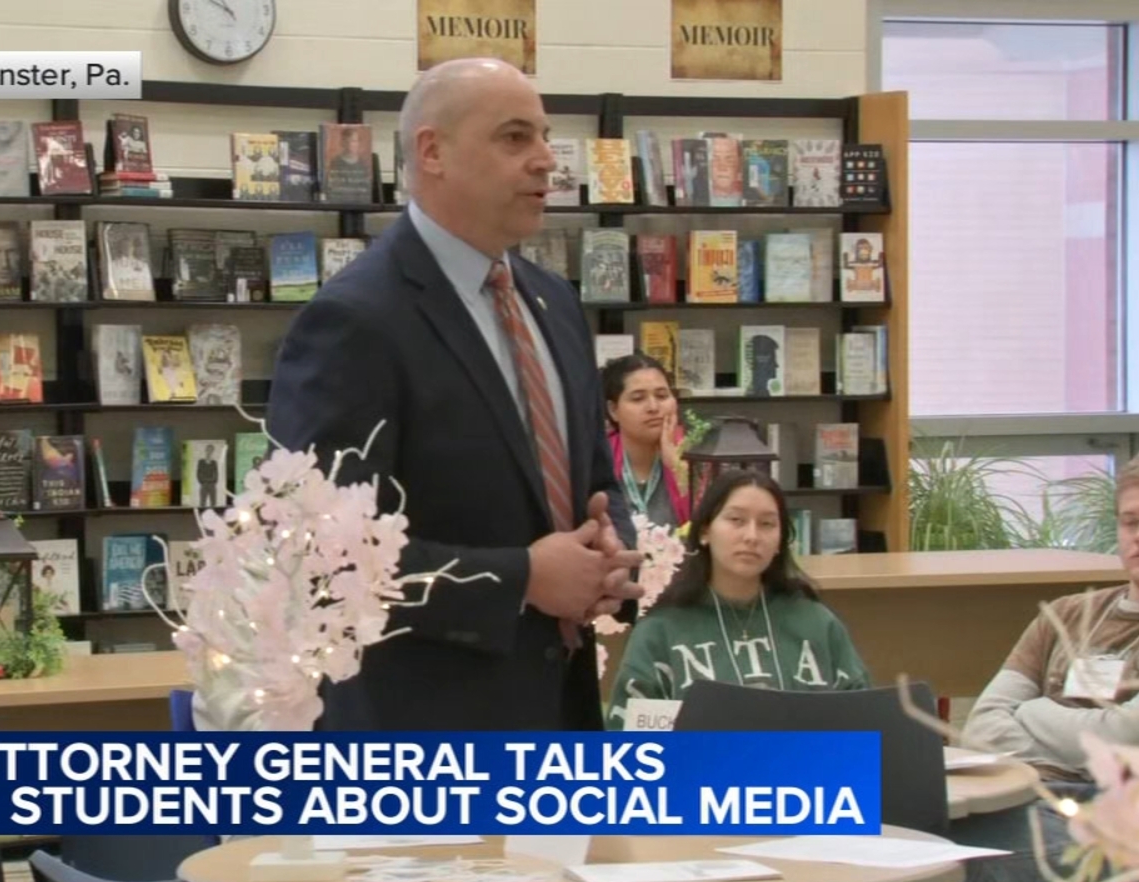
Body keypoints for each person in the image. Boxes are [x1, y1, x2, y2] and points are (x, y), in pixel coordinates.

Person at [267, 57, 642, 732]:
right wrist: (519, 578)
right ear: (432, 151)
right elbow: (320, 553)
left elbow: (593, 477)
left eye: (545, 137)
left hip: (561, 713)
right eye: (514, 137)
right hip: (422, 731)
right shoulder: (356, 321)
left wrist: (610, 552)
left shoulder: (554, 302)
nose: (546, 161)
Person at [950, 446, 1139, 882]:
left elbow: (1131, 740)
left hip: (1127, 814)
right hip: (1020, 796)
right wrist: (1094, 735)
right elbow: (982, 728)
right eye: (1130, 522)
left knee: (972, 870)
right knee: (922, 842)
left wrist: (1032, 711)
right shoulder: (1066, 614)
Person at [606, 469, 871, 729]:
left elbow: (864, 723)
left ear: (780, 541)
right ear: (705, 531)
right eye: (736, 520)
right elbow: (627, 747)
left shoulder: (816, 622)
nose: (752, 536)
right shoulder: (660, 630)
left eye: (767, 524)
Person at [601, 354, 688, 529]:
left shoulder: (698, 457)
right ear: (613, 410)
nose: (654, 407)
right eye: (638, 398)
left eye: (662, 396)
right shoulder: (597, 461)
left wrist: (677, 466)